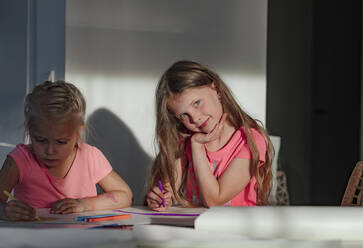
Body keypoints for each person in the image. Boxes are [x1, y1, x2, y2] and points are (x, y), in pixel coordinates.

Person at [146, 60, 273, 211]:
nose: (195, 118)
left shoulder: (251, 140)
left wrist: (197, 147)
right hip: (195, 229)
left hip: (235, 231)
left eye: (197, 103)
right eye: (183, 115)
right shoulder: (185, 138)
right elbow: (169, 190)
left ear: (216, 89)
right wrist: (160, 199)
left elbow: (215, 200)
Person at [0, 80, 132, 221]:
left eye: (61, 142)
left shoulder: (89, 157)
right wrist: (5, 212)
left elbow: (125, 195)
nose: (50, 151)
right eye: (40, 140)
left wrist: (84, 204)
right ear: (29, 131)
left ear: (78, 133)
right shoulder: (20, 158)